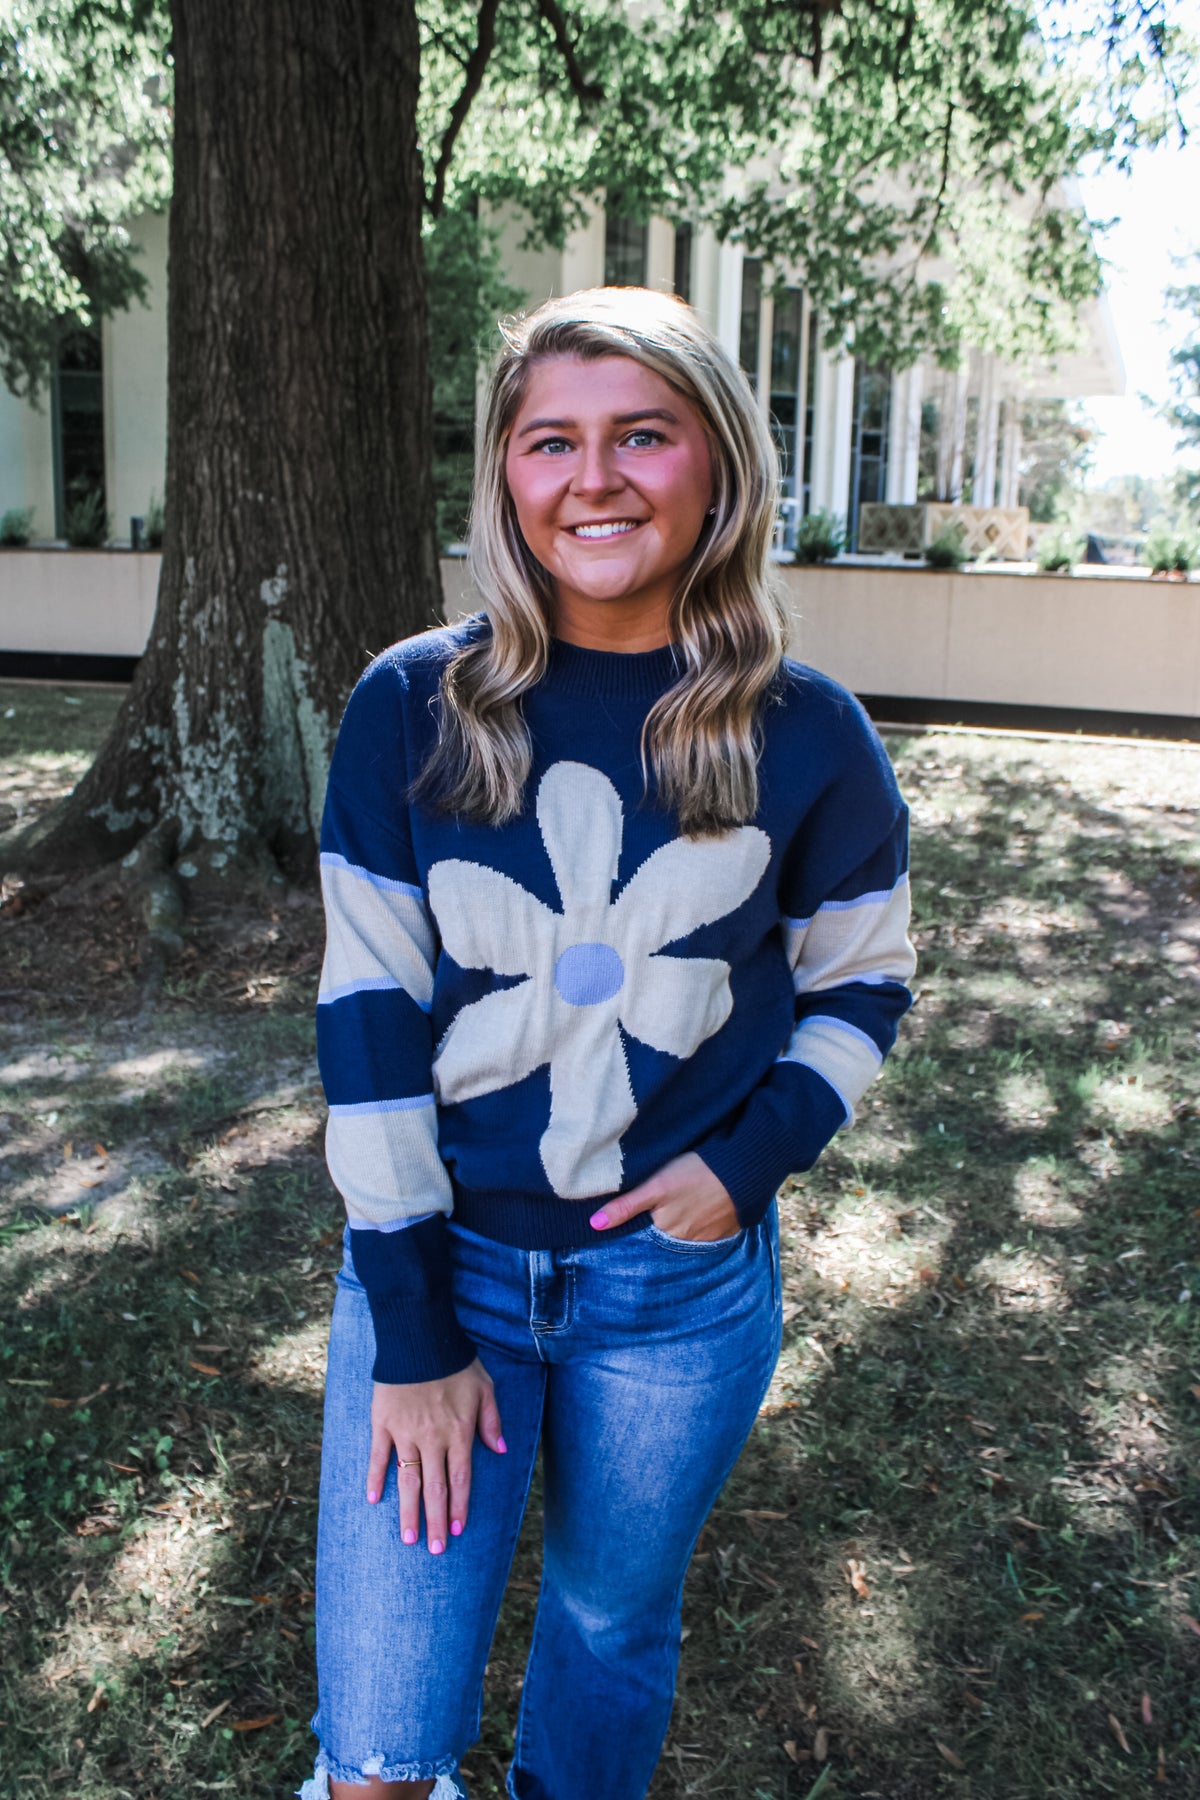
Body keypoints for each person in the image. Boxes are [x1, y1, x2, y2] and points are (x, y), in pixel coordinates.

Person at [300, 286, 916, 1800]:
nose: (594, 479)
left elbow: (865, 986)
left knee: (606, 1624)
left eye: (643, 436)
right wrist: (417, 1329)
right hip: (438, 1274)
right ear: (505, 475)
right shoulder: (412, 707)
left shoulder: (808, 736)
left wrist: (751, 1159)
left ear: (716, 465)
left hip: (677, 1296)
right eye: (549, 441)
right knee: (379, 1748)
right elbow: (368, 1017)